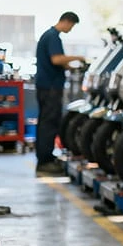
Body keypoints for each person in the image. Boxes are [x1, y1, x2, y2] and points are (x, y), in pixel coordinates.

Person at [35, 12, 85, 176]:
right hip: (50, 87)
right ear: (67, 21)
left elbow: (55, 62)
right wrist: (78, 57)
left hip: (46, 85)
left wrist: (71, 68)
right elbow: (56, 60)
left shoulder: (49, 35)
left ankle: (45, 158)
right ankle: (45, 162)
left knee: (45, 122)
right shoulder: (53, 37)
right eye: (72, 26)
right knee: (49, 123)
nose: (71, 29)